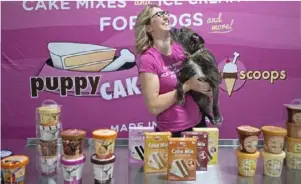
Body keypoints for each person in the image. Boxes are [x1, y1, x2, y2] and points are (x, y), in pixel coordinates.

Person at [134, 5, 213, 137]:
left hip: (199, 125)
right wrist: (187, 86)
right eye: (158, 15)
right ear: (149, 28)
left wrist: (208, 85)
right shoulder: (148, 59)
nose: (165, 16)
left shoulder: (182, 49)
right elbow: (154, 107)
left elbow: (204, 83)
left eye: (165, 13)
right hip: (172, 132)